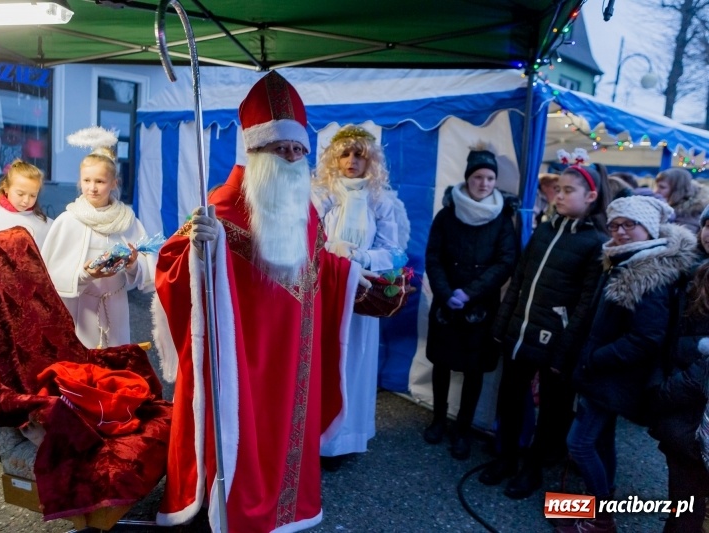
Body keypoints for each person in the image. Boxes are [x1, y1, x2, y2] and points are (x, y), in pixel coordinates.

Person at [153, 71, 364, 533]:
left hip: (295, 356)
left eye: (297, 149)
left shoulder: (304, 206)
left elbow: (317, 264)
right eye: (279, 148)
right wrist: (197, 250)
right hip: (243, 357)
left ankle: (286, 508)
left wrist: (349, 275)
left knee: (285, 430)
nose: (291, 157)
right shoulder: (220, 208)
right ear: (255, 149)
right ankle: (228, 502)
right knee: (241, 431)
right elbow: (170, 266)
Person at [558, 196, 695, 533]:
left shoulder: (648, 271)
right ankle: (600, 504)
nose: (619, 231)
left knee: (579, 443)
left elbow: (646, 337)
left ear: (647, 228)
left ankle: (601, 516)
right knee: (600, 440)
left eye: (628, 225)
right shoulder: (624, 260)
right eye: (615, 224)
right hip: (603, 375)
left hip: (611, 378)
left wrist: (596, 358)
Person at [480, 157, 610, 500]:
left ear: (591, 196)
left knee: (552, 410)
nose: (559, 197)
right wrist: (501, 325)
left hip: (556, 341)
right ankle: (505, 457)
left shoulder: (596, 243)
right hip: (521, 331)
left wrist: (566, 351)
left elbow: (586, 305)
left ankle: (533, 468)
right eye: (557, 191)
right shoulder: (545, 229)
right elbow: (520, 279)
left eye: (569, 191)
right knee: (509, 399)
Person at [312, 124, 409, 471]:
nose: (352, 161)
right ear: (333, 159)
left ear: (371, 161)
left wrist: (362, 259)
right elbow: (303, 240)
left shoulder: (381, 200)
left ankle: (344, 439)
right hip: (323, 294)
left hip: (361, 292)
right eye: (345, 154)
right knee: (320, 362)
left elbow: (397, 253)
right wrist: (329, 251)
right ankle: (315, 435)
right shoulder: (320, 196)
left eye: (359, 155)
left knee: (354, 365)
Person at [423, 146, 519, 460]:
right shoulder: (447, 214)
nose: (484, 183)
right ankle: (438, 420)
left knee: (474, 369)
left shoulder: (502, 217)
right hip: (446, 300)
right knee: (441, 362)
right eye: (478, 177)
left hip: (480, 305)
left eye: (490, 178)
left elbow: (506, 261)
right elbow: (433, 256)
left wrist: (470, 292)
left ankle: (462, 429)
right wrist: (445, 291)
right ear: (468, 178)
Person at [41, 127, 155, 349]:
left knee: (115, 361)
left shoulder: (128, 220)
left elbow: (145, 266)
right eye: (87, 180)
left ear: (114, 183)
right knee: (85, 363)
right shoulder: (68, 220)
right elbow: (50, 273)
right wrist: (84, 274)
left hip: (116, 304)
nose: (92, 188)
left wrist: (132, 265)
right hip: (82, 307)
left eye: (100, 182)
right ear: (80, 181)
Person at [647, 203, 709, 533]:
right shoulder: (690, 270)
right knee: (685, 501)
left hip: (691, 408)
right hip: (682, 413)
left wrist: (664, 394)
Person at [0, 159, 52, 248]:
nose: (26, 200)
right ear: (6, 188)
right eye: (20, 194)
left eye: (33, 195)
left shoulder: (46, 225)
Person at [655, 167, 709, 232]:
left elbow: (683, 237)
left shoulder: (693, 211)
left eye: (662, 187)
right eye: (657, 186)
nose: (656, 191)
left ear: (677, 190)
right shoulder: (668, 205)